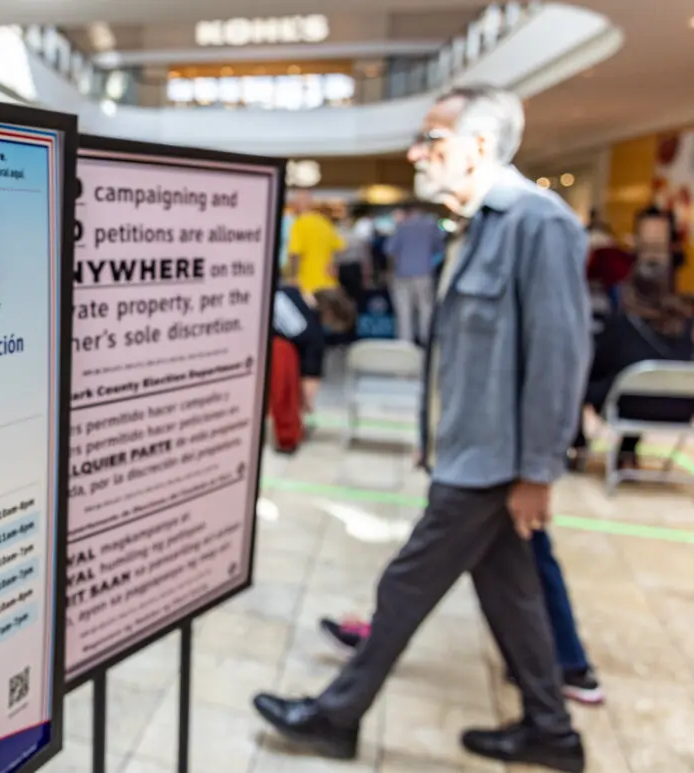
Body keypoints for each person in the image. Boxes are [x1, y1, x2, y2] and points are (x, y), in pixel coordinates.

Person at [253, 84, 589, 773]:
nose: (416, 153)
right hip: (469, 452)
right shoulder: (474, 226)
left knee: (405, 586)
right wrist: (434, 436)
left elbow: (559, 356)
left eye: (430, 140)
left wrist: (538, 470)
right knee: (513, 593)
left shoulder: (537, 222)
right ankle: (551, 730)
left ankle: (335, 714)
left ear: (477, 147)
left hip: (493, 465)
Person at [318, 519, 605, 705]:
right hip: (483, 462)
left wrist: (536, 475)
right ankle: (558, 688)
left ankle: (342, 703)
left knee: (415, 572)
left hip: (490, 467)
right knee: (515, 564)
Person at [571, 261, 694, 469]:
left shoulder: (622, 326)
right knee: (643, 385)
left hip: (626, 406)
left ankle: (578, 446)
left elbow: (596, 365)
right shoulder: (685, 326)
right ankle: (628, 450)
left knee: (576, 380)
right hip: (679, 409)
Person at [269, 283, 356, 453]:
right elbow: (310, 379)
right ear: (331, 314)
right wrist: (307, 404)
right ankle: (287, 439)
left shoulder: (289, 290)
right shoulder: (312, 334)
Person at [385, 204, 444, 344]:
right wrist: (431, 264)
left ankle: (405, 343)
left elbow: (389, 249)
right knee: (426, 308)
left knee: (404, 309)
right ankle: (426, 341)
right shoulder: (431, 225)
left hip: (402, 273)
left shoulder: (402, 226)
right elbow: (440, 249)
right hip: (424, 273)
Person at [288, 197, 345, 293]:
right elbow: (339, 248)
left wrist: (292, 277)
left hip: (308, 283)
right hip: (328, 281)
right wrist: (333, 266)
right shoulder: (327, 224)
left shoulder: (300, 222)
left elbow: (295, 253)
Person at [334, 208, 373, 318]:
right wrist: (367, 276)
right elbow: (365, 259)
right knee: (354, 299)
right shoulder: (357, 236)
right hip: (352, 269)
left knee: (343, 299)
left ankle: (345, 322)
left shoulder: (337, 235)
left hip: (344, 268)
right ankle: (352, 322)